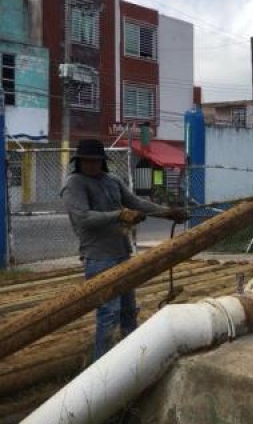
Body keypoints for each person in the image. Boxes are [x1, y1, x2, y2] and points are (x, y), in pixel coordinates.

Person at [61, 139, 186, 360]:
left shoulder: (112, 181)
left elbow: (136, 203)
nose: (91, 165)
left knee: (128, 310)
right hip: (98, 258)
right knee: (109, 313)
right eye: (86, 161)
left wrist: (167, 212)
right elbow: (83, 218)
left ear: (102, 162)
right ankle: (101, 367)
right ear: (78, 162)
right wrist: (119, 215)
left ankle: (133, 360)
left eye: (95, 161)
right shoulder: (75, 184)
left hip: (121, 253)